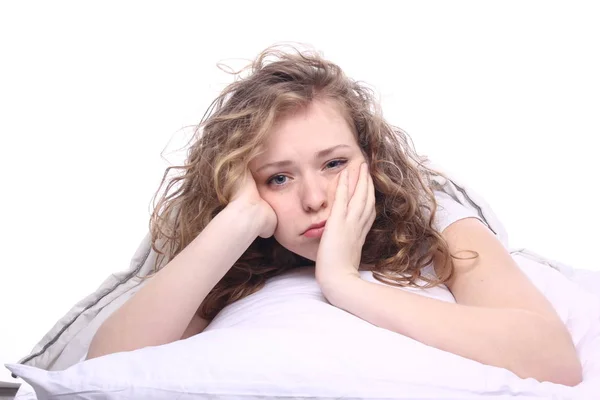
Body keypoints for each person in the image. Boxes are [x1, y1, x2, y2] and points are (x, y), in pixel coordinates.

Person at [86, 44, 582, 386]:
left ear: (369, 156)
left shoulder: (435, 212)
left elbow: (553, 359)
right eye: (278, 177)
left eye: (335, 163)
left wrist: (344, 283)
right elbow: (103, 369)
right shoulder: (231, 232)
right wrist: (239, 221)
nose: (315, 198)